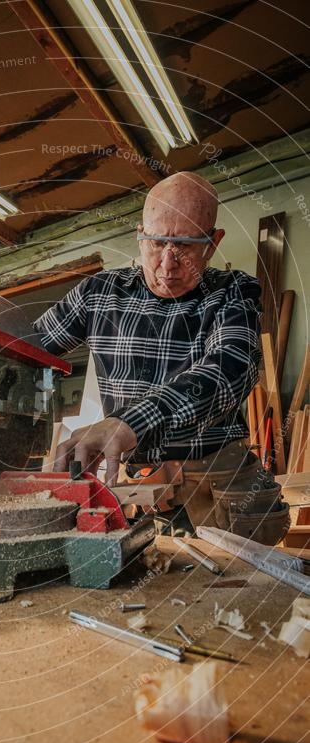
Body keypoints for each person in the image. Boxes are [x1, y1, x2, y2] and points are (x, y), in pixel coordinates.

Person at [34, 172, 289, 543]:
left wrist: (129, 422)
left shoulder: (232, 291)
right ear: (140, 234)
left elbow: (230, 367)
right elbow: (27, 352)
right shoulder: (98, 292)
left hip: (218, 481)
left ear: (213, 243)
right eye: (155, 243)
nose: (167, 264)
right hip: (136, 483)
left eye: (185, 246)